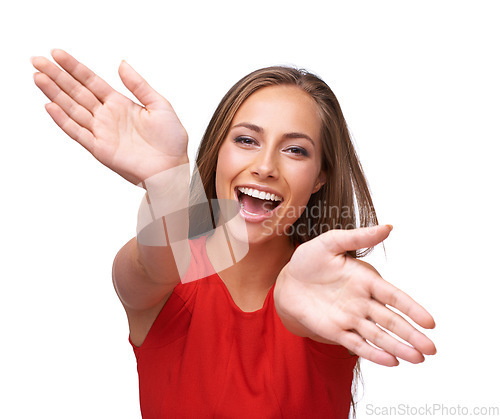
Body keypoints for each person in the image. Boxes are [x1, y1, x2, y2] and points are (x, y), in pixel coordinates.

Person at [31, 50, 436, 418]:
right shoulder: (168, 277)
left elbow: (321, 321)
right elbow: (155, 264)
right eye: (246, 140)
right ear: (219, 152)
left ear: (320, 177)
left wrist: (299, 311)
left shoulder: (331, 288)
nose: (264, 166)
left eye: (295, 150)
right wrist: (166, 182)